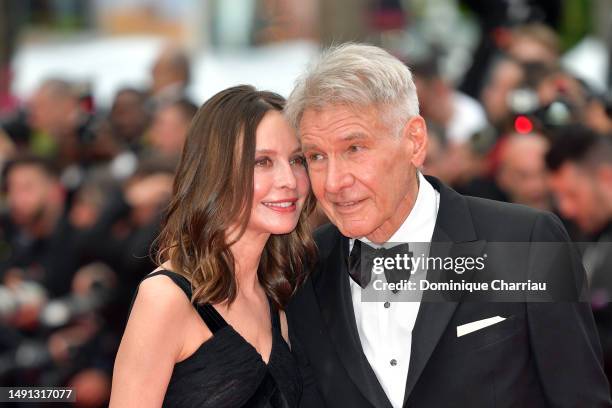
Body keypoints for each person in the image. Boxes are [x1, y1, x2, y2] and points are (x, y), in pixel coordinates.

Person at [284, 43, 611, 408]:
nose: (333, 182)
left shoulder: (526, 244)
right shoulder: (305, 268)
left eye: (355, 149)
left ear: (415, 142)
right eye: (316, 156)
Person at [109, 85, 315, 407]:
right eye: (262, 162)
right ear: (216, 171)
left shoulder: (278, 291)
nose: (289, 179)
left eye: (297, 159)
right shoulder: (167, 298)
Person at [546, 125, 612, 387]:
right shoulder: (581, 234)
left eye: (572, 194)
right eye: (559, 197)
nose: (566, 208)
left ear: (606, 178)